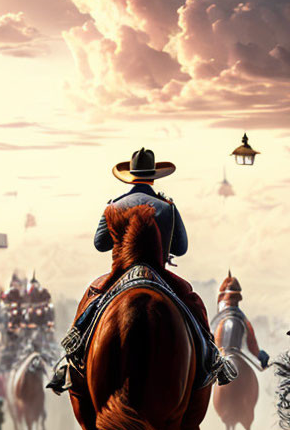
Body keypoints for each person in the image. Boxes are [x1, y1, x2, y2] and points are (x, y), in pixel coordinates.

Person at [47, 148, 236, 393]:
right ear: (154, 176)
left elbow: (99, 244)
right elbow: (181, 247)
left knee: (90, 303)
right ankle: (213, 358)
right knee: (193, 303)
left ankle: (69, 361)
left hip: (119, 272)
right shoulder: (167, 206)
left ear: (130, 175)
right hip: (158, 273)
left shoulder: (113, 206)